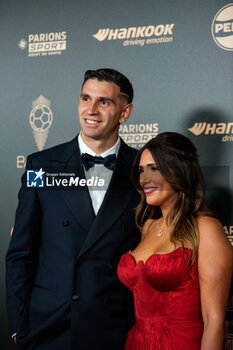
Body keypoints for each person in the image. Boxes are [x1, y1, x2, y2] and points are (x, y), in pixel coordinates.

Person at [5, 68, 140, 350]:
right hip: (48, 327)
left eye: (104, 102)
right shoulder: (41, 165)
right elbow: (20, 253)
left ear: (125, 113)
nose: (90, 110)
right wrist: (19, 326)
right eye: (85, 98)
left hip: (116, 327)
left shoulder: (143, 169)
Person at [117, 132, 233, 350]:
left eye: (154, 168)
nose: (144, 179)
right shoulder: (147, 226)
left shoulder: (205, 228)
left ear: (179, 171)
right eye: (141, 170)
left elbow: (214, 320)